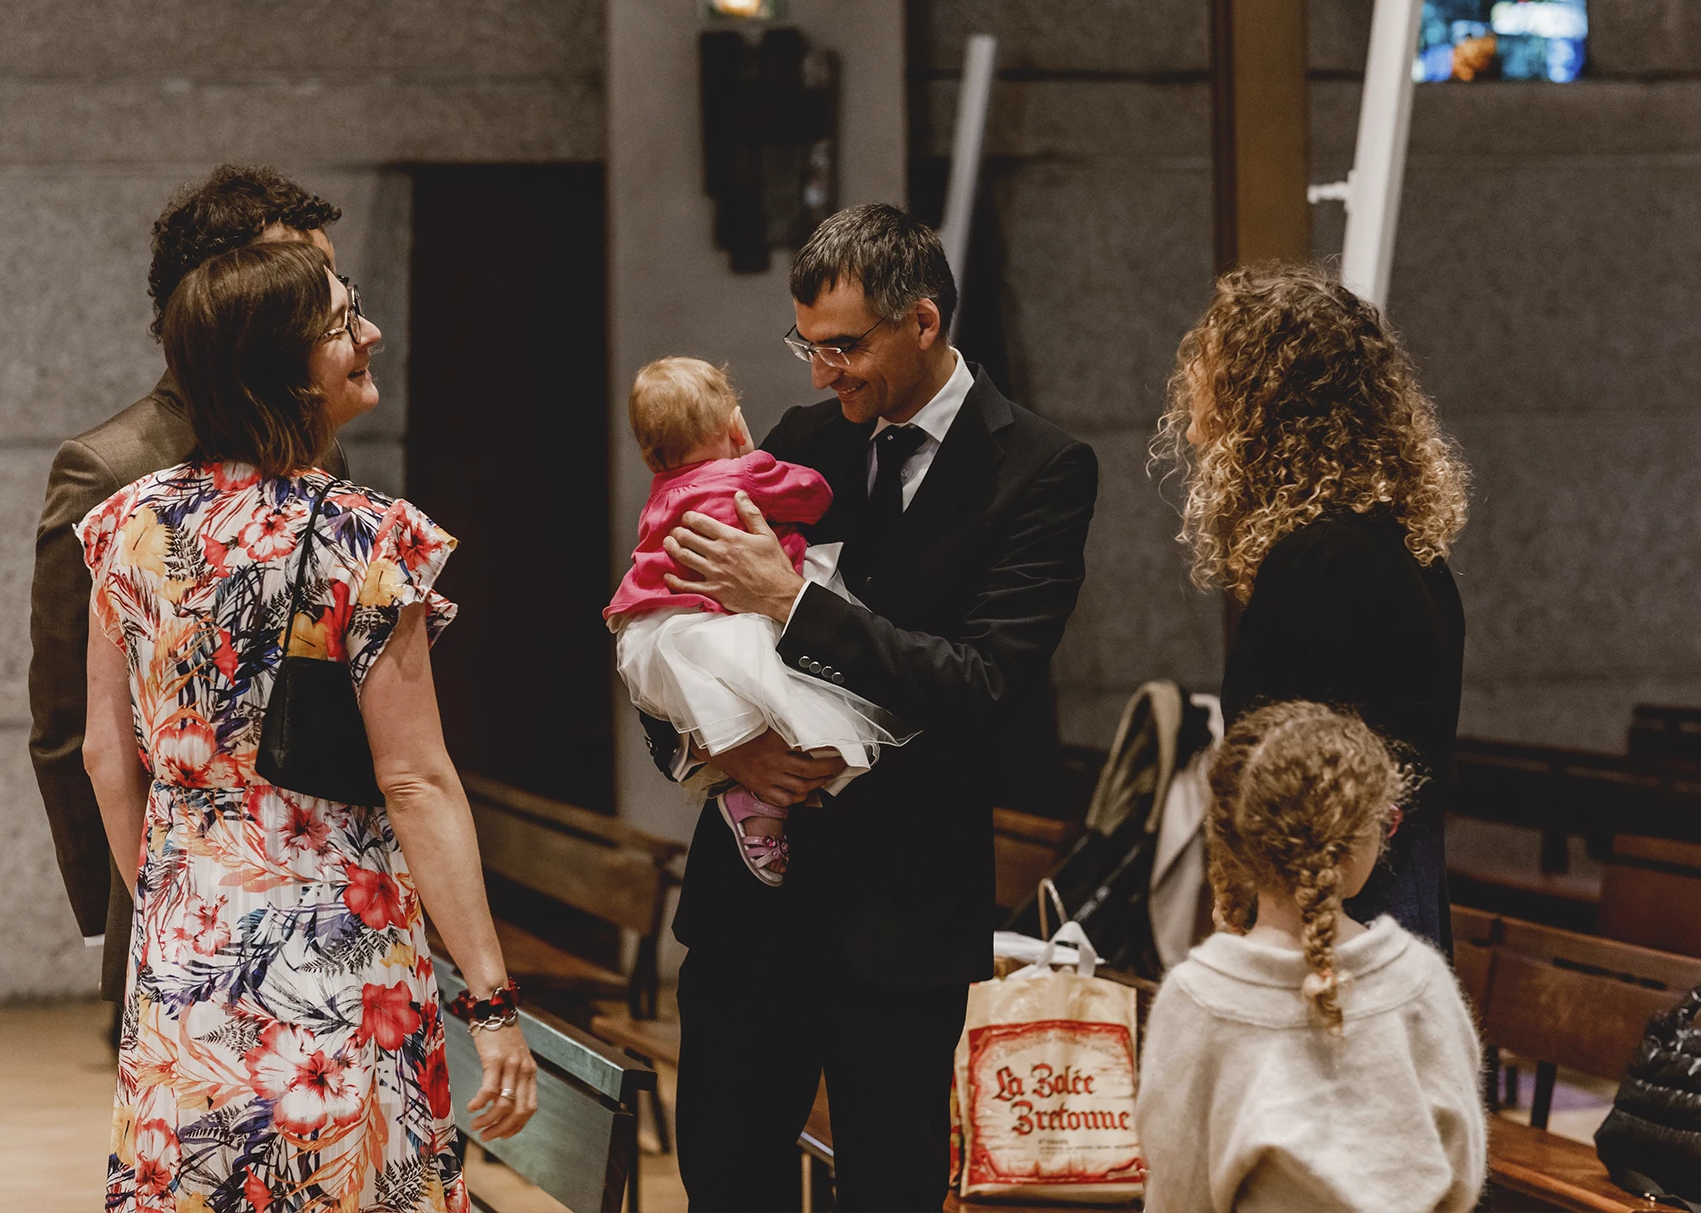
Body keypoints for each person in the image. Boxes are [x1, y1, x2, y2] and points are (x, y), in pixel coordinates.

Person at [643, 204, 1099, 1211]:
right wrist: (725, 753)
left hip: (901, 920)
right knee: (726, 1185)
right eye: (805, 344)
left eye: (844, 346)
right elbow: (666, 620)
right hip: (752, 915)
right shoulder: (808, 439)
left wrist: (791, 603)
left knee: (890, 1193)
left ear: (925, 322)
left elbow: (983, 682)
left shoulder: (1041, 470)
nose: (818, 375)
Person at [77, 241, 533, 1208]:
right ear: (278, 368)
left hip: (184, 965)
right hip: (336, 973)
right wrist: (490, 1001)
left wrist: (175, 908)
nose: (368, 334)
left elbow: (105, 756)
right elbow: (415, 781)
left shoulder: (124, 525)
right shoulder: (370, 538)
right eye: (340, 324)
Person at [31, 165, 352, 1009]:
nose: (330, 307)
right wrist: (120, 907)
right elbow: (68, 718)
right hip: (171, 881)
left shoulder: (320, 446)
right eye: (302, 282)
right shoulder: (110, 466)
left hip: (318, 869)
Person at [1154, 264, 1470, 953]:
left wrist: (1237, 895)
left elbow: (1271, 763)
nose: (1192, 393)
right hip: (1388, 873)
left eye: (1209, 366)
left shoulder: (1318, 560)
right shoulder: (1399, 545)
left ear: (1262, 393)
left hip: (1336, 894)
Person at [1135, 700, 1486, 1213]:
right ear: (1364, 838)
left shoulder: (1198, 998)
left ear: (1234, 837)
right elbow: (1462, 1169)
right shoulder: (1419, 979)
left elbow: (1177, 1193)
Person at [606, 356, 912, 885]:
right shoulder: (765, 460)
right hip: (730, 622)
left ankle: (761, 812)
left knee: (726, 688)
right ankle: (774, 793)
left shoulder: (659, 496)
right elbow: (812, 495)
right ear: (734, 425)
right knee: (796, 704)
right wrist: (725, 750)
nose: (820, 371)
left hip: (663, 621)